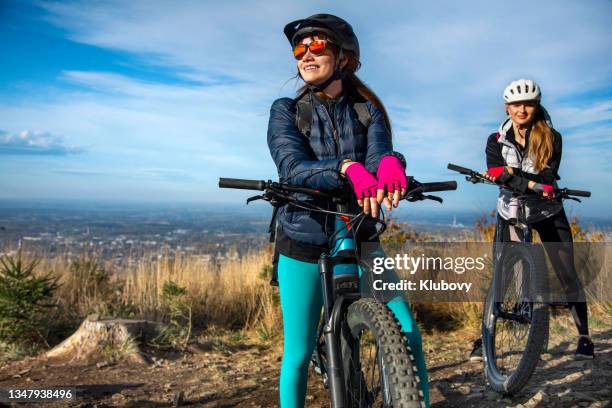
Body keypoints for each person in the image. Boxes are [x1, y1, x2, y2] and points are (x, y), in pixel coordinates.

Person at [267, 14, 429, 408]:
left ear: (344, 57)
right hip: (305, 237)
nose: (306, 54)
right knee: (299, 353)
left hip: (358, 233)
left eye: (318, 45)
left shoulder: (366, 110)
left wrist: (392, 164)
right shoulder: (287, 110)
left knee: (406, 331)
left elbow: (379, 153)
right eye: (299, 49)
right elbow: (292, 166)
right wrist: (346, 169)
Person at [469, 79, 594, 361]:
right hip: (511, 211)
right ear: (506, 107)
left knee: (566, 272)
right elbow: (494, 169)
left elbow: (547, 178)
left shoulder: (552, 137)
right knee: (503, 272)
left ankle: (584, 337)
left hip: (547, 210)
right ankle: (486, 335)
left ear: (536, 106)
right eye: (515, 104)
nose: (521, 109)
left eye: (527, 104)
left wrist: (511, 174)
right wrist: (516, 178)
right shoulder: (496, 139)